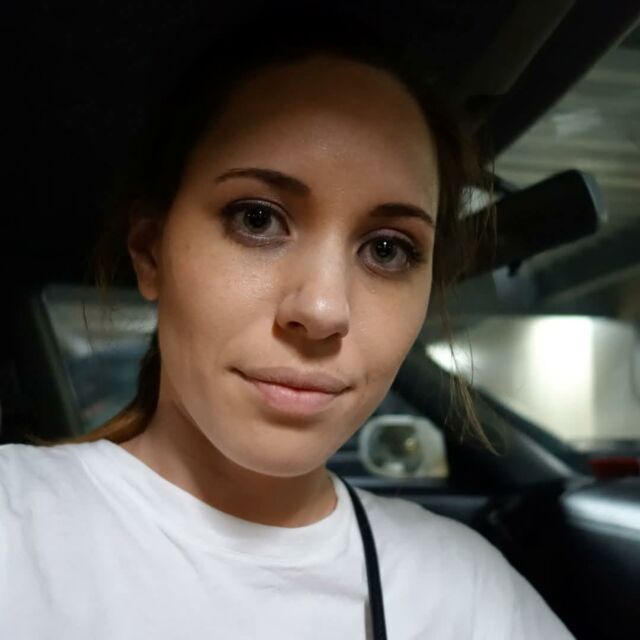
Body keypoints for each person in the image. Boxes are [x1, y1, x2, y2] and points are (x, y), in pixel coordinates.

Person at [0, 7, 575, 639]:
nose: (324, 310)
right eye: (257, 219)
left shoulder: (467, 595)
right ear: (150, 252)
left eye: (388, 249)